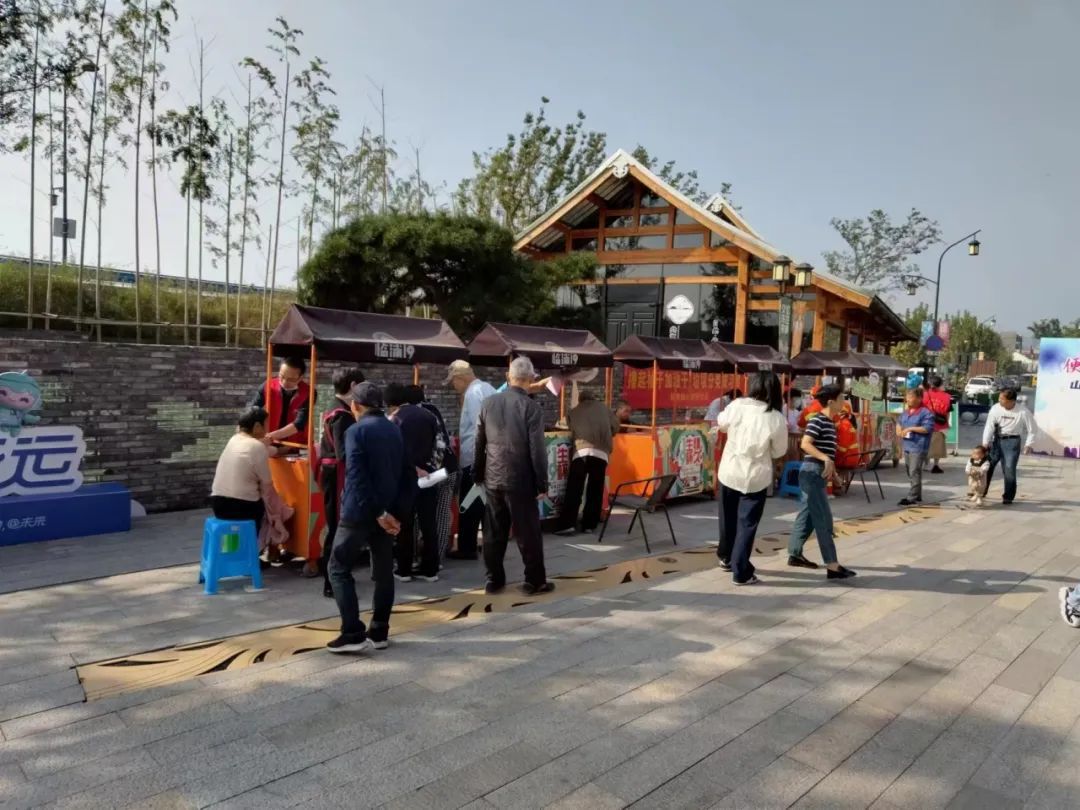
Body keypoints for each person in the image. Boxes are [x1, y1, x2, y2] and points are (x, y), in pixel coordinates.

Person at [326, 382, 409, 654]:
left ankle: (352, 632)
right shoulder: (394, 428)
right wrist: (393, 513)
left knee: (338, 568)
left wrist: (378, 512)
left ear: (355, 405)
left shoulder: (355, 431)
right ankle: (380, 630)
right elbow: (405, 473)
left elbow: (357, 477)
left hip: (359, 511)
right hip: (386, 510)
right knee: (383, 572)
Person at [474, 355, 553, 596]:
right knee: (527, 533)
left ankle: (493, 580)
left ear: (508, 376)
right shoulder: (531, 407)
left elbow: (479, 442)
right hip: (521, 479)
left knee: (493, 532)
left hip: (493, 477)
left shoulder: (488, 403)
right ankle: (534, 581)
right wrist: (542, 483)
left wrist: (478, 473)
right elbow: (537, 450)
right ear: (530, 379)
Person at [715, 372, 789, 585]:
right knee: (747, 524)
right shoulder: (776, 417)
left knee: (727, 518)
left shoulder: (737, 405)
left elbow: (721, 423)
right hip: (755, 477)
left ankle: (726, 557)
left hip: (730, 471)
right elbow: (779, 451)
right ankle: (741, 571)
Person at [787, 385, 857, 580]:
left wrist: (834, 475)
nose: (844, 402)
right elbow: (805, 444)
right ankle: (832, 565)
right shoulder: (818, 419)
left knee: (807, 516)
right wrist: (825, 458)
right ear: (831, 402)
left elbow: (828, 456)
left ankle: (794, 554)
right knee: (823, 518)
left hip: (818, 474)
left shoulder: (830, 422)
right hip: (812, 473)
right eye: (842, 398)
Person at [317, 368, 366, 597]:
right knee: (339, 526)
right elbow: (344, 453)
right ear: (353, 385)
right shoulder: (341, 415)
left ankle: (336, 575)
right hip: (337, 474)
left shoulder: (334, 408)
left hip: (333, 472)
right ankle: (332, 580)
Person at [385, 383, 440, 583]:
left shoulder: (394, 419)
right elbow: (439, 447)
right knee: (429, 523)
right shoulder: (429, 416)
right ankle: (430, 570)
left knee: (405, 524)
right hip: (429, 476)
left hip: (405, 478)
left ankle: (404, 569)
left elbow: (394, 452)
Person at [446, 360, 496, 560]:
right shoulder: (488, 388)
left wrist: (478, 462)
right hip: (489, 458)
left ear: (461, 377)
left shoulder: (473, 393)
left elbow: (479, 428)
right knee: (484, 505)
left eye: (454, 381)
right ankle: (488, 544)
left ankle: (467, 548)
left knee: (469, 505)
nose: (453, 386)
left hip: (476, 459)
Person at [406, 384, 459, 562]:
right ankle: (437, 558)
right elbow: (443, 441)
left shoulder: (409, 415)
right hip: (448, 468)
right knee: (442, 514)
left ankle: (413, 556)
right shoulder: (433, 409)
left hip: (428, 473)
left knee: (416, 513)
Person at [555, 390, 619, 536]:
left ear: (580, 400)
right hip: (600, 453)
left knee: (574, 489)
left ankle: (567, 524)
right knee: (595, 490)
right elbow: (615, 427)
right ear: (593, 398)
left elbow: (563, 426)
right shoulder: (604, 409)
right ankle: (589, 525)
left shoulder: (574, 411)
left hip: (581, 452)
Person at [210, 407, 274, 535]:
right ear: (257, 426)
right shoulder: (257, 446)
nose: (268, 429)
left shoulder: (233, 439)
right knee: (269, 508)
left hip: (218, 504)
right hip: (241, 506)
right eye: (266, 424)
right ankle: (253, 544)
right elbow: (267, 482)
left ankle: (234, 545)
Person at [249, 357, 315, 456]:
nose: (284, 382)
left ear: (300, 378)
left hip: (296, 445)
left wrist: (270, 437)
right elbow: (252, 409)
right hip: (271, 444)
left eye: (291, 379)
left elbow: (300, 423)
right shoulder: (268, 386)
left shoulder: (308, 392)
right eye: (281, 376)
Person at [982, 388, 1036, 505]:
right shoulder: (995, 408)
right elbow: (989, 426)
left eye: (1002, 399)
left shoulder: (1023, 412)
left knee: (1009, 469)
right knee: (987, 466)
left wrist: (1028, 444)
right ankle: (981, 491)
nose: (999, 400)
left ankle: (1008, 496)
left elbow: (1033, 430)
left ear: (1012, 401)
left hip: (1012, 442)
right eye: (999, 397)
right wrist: (985, 442)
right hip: (996, 440)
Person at [896, 388, 936, 506]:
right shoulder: (906, 412)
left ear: (919, 398)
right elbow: (899, 421)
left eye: (911, 397)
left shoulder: (926, 413)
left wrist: (910, 428)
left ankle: (911, 497)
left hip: (918, 446)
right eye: (907, 397)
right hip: (907, 445)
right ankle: (917, 495)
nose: (908, 399)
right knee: (911, 471)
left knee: (914, 471)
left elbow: (927, 428)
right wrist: (899, 429)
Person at [923, 376, 952, 474]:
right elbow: (948, 412)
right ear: (941, 384)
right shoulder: (947, 397)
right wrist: (946, 422)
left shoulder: (925, 395)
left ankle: (926, 464)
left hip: (925, 423)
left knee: (926, 444)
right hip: (940, 424)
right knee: (938, 446)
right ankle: (936, 464)